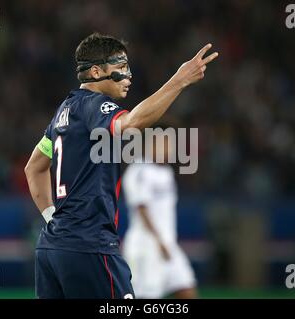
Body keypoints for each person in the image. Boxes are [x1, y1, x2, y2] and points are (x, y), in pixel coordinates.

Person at [24, 32, 218, 299]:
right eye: (120, 68)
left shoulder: (63, 112)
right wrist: (180, 80)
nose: (128, 76)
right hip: (90, 246)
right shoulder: (96, 106)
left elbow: (33, 168)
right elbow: (131, 124)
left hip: (51, 248)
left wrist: (50, 217)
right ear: (95, 72)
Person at [122, 131, 198, 299]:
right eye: (163, 144)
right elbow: (142, 209)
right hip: (146, 245)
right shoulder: (139, 170)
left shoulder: (167, 172)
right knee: (147, 296)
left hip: (168, 244)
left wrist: (166, 242)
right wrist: (158, 240)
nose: (168, 149)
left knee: (186, 288)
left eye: (169, 145)